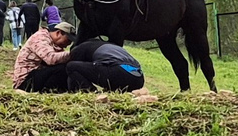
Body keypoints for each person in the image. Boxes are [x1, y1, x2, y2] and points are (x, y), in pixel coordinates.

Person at [12, 24, 146, 92]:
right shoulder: (40, 38)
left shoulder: (90, 47)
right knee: (66, 67)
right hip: (26, 81)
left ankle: (88, 93)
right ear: (59, 33)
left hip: (119, 70)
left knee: (71, 67)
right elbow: (51, 59)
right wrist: (73, 54)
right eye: (67, 40)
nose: (68, 44)